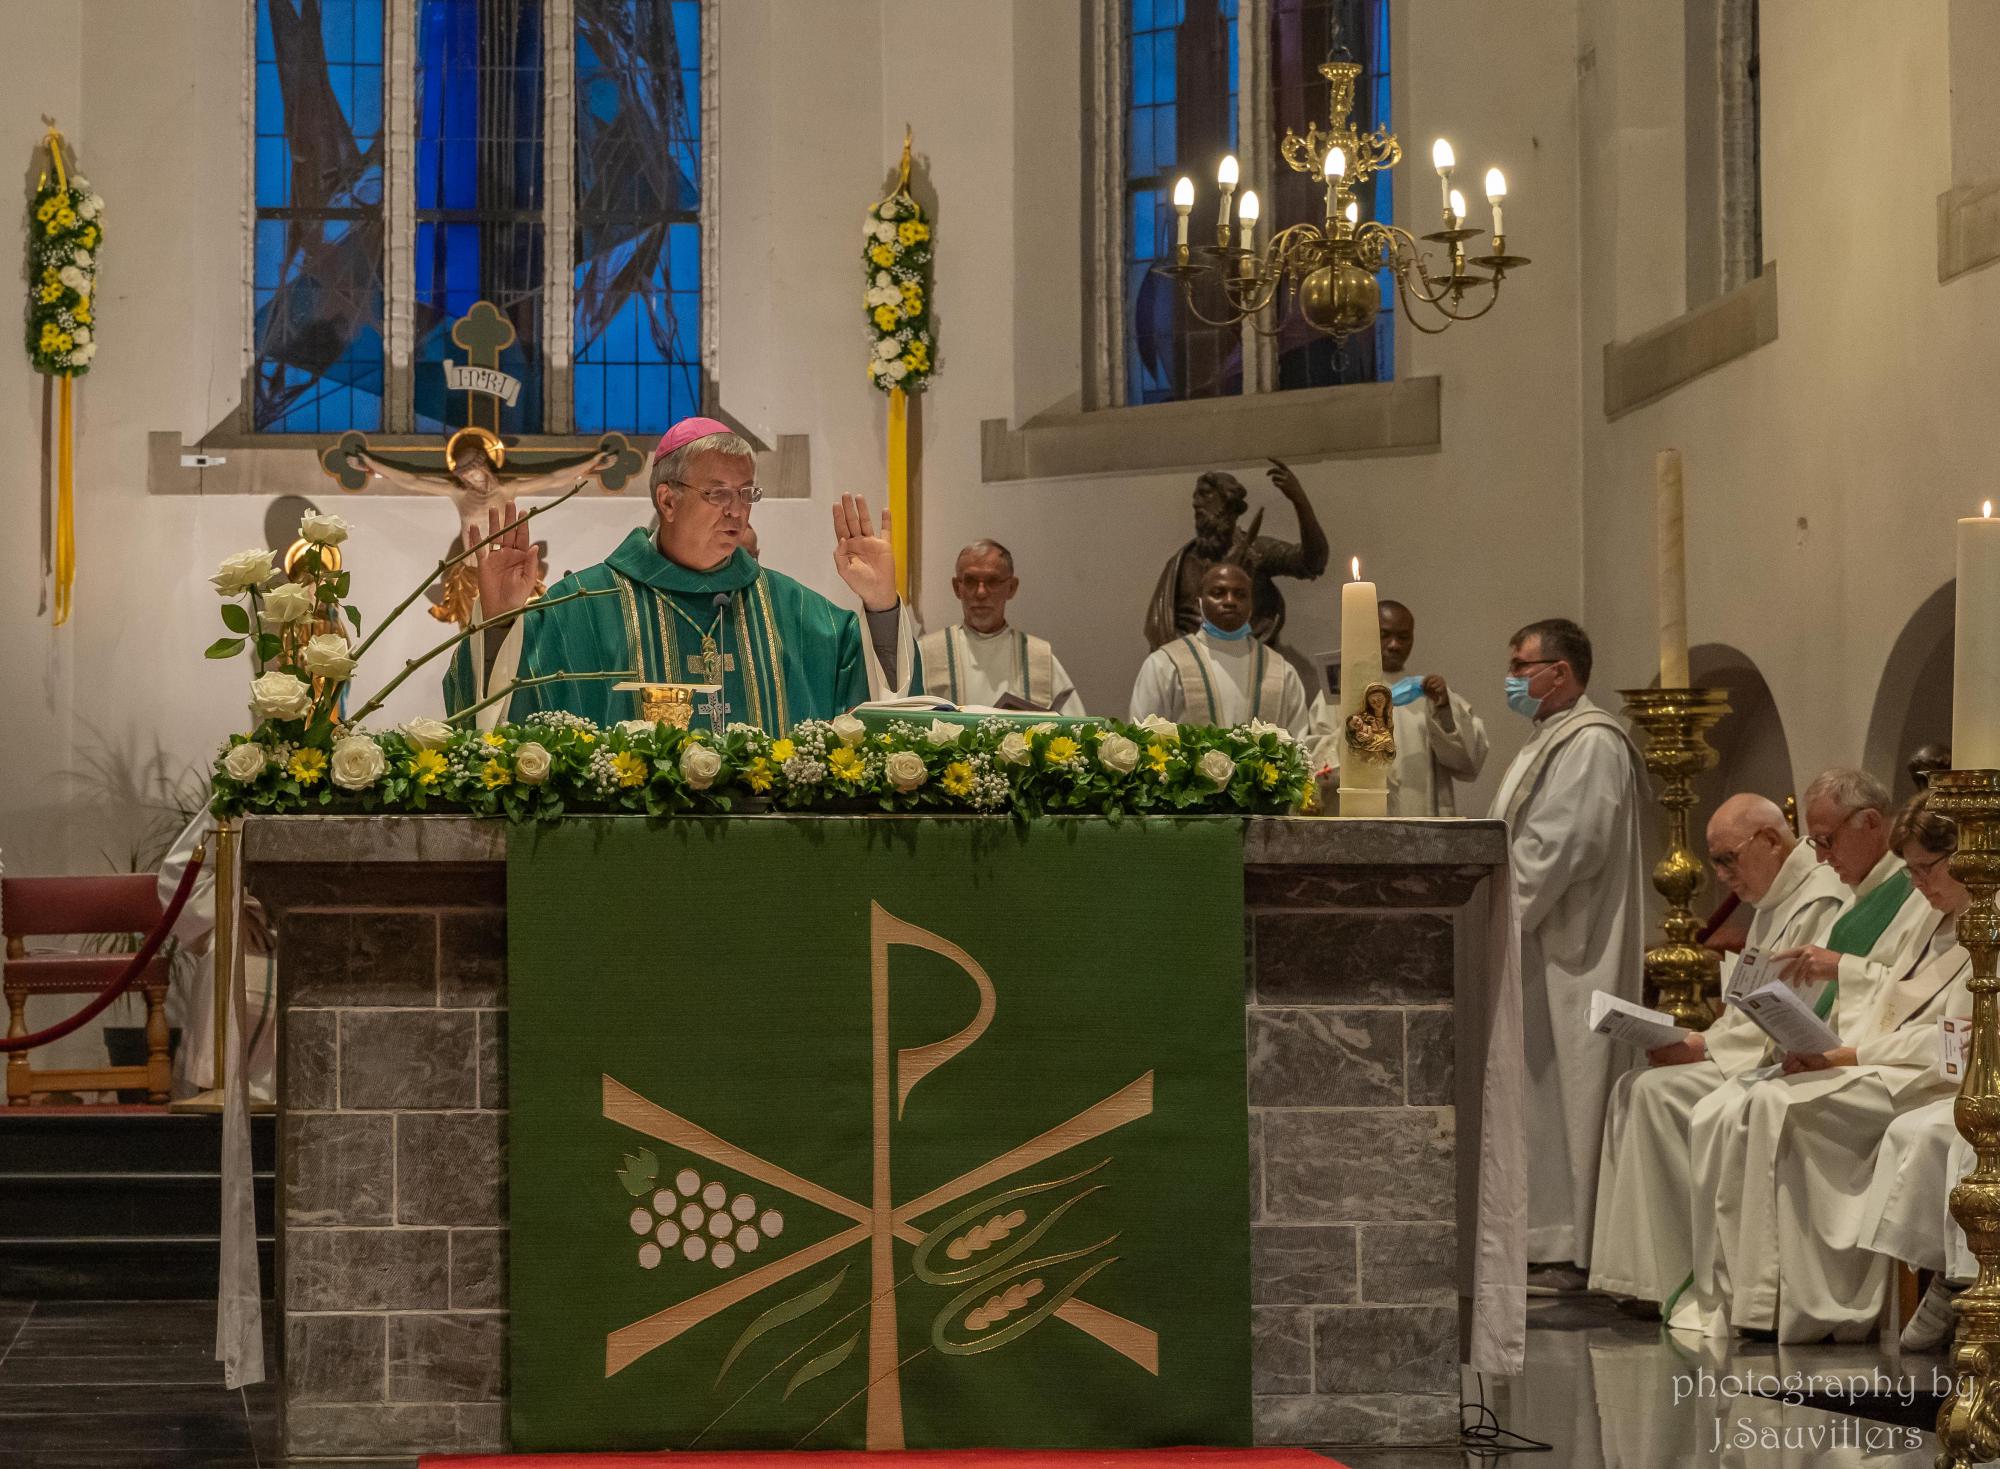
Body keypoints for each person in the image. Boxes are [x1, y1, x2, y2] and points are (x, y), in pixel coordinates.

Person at [1685, 793, 1974, 1342]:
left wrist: (1845, 1055)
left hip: (1926, 1077)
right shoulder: (1933, 915)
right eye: (1910, 870)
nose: (1916, 884)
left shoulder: (1983, 923)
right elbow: (1890, 991)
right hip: (1887, 1060)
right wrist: (1830, 1049)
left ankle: (1819, 1305)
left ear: (1967, 856)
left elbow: (1954, 1038)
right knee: (1756, 1099)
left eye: (1925, 869)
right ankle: (1757, 1298)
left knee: (1777, 1104)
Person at [444, 417, 918, 730]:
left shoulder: (798, 614)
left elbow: (882, 713)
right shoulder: (580, 608)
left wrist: (881, 606)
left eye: (746, 493)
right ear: (667, 501)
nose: (737, 511)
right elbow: (487, 721)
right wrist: (501, 619)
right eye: (717, 494)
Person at [1588, 793, 1846, 1317]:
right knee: (1633, 1086)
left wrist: (1702, 1046)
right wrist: (1701, 1041)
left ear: (1772, 840)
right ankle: (1640, 1273)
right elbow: (1749, 1005)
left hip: (1790, 1062)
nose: (1722, 875)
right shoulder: (1778, 900)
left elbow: (1796, 1009)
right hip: (1750, 1053)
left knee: (1658, 1095)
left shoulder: (1819, 899)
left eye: (1729, 858)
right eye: (1716, 862)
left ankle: (1681, 1274)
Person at [1486, 617, 1647, 1284]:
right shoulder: (1550, 738)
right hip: (1537, 943)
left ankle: (1568, 1246)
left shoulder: (1592, 742)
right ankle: (1537, 1239)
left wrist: (1497, 909)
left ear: (1561, 671)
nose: (1513, 677)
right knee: (1537, 1094)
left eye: (1523, 665)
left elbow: (1566, 843)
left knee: (1566, 1090)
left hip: (1570, 947)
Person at [1768, 767, 1936, 1030]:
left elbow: (1919, 994)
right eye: (1815, 844)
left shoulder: (1921, 892)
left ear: (1870, 821)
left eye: (1826, 840)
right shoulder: (1862, 891)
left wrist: (1840, 967)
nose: (1820, 858)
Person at [1304, 599, 1489, 815]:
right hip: (1357, 821)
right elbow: (1313, 760)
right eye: (1384, 635)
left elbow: (1467, 763)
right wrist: (1353, 735)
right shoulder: (1341, 693)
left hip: (1418, 825)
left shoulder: (1426, 696)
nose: (1394, 645)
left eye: (1403, 637)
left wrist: (1445, 708)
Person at [1143, 460, 1328, 651]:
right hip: (1188, 667)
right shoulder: (1181, 564)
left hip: (1248, 664)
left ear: (1229, 503)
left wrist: (1300, 501)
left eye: (1205, 494)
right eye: (1195, 497)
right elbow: (1159, 627)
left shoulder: (1256, 551)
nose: (1196, 503)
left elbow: (1313, 562)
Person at [351, 426, 615, 549]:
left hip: (501, 564)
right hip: (469, 569)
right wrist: (374, 464)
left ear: (485, 466)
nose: (471, 480)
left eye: (474, 473)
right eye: (465, 477)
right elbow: (411, 480)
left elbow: (554, 478)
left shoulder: (507, 490)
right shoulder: (459, 494)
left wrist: (589, 463)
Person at [1128, 561, 1310, 736]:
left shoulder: (1282, 672)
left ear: (1252, 603)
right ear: (1199, 601)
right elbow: (1143, 738)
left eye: (1240, 594)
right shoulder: (1164, 664)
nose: (1230, 601)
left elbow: (1298, 746)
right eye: (1218, 593)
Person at [919, 541, 1083, 712]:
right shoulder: (927, 653)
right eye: (970, 581)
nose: (980, 592)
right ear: (956, 587)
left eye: (992, 581)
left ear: (1011, 587)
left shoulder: (1039, 657)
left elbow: (1074, 729)